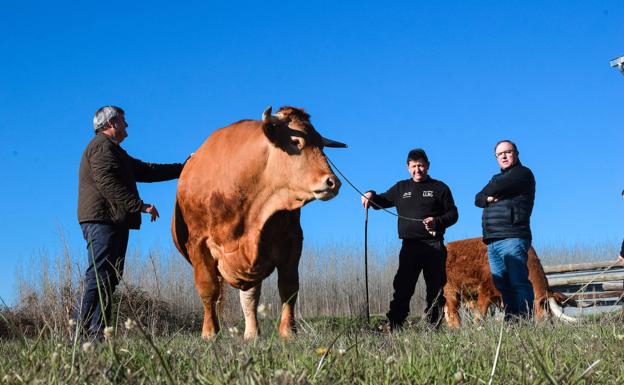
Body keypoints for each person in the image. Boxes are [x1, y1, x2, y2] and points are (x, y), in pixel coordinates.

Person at [75, 105, 184, 340]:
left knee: (109, 277)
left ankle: (96, 335)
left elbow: (145, 170)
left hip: (112, 219)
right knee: (99, 275)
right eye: (124, 121)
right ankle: (80, 333)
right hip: (101, 219)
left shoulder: (116, 152)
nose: (127, 126)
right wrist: (140, 206)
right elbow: (107, 183)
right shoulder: (101, 148)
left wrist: (183, 168)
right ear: (112, 123)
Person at [362, 149, 458, 330]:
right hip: (409, 247)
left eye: (421, 165)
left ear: (428, 165)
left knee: (435, 289)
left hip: (434, 246)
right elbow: (380, 201)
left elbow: (453, 214)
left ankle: (433, 326)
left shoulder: (440, 188)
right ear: (407, 167)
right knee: (402, 287)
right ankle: (395, 324)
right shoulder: (401, 188)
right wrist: (370, 194)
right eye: (413, 166)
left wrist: (437, 222)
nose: (417, 170)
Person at [475, 140, 535, 319]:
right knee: (503, 286)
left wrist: (491, 192)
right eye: (499, 154)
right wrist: (487, 198)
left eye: (508, 152)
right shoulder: (498, 178)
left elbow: (496, 186)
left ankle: (524, 322)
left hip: (513, 236)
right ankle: (512, 321)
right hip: (493, 240)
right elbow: (478, 199)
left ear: (516, 153)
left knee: (518, 283)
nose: (504, 156)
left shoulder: (522, 174)